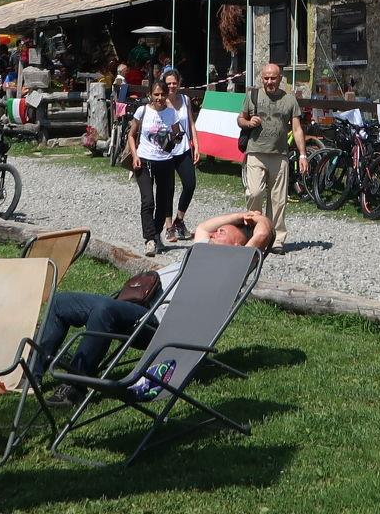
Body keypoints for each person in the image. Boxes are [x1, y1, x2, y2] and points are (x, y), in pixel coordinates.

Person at [28, 210, 271, 395]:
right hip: (136, 307)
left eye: (223, 232)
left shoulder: (234, 269)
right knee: (60, 302)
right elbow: (203, 227)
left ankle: (75, 386)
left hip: (156, 324)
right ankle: (31, 377)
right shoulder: (202, 250)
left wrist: (259, 219)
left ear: (238, 245)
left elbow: (263, 235)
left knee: (105, 310)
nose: (215, 233)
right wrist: (240, 215)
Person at [237, 63, 308, 251]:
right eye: (266, 78)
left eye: (273, 78)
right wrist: (248, 122)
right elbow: (240, 119)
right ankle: (255, 232)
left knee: (278, 200)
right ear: (262, 78)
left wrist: (302, 155)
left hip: (280, 155)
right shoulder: (252, 95)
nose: (269, 82)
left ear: (280, 78)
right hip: (255, 152)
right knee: (254, 193)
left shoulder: (289, 100)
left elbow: (297, 129)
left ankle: (276, 239)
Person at [130, 80, 188, 256]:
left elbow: (178, 134)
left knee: (163, 202)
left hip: (165, 161)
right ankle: (149, 239)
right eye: (156, 94)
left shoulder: (171, 113)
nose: (159, 98)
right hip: (144, 160)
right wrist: (135, 156)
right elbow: (132, 135)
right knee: (148, 201)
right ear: (150, 95)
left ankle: (156, 234)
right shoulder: (142, 111)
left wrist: (174, 138)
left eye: (162, 94)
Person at [160, 70, 197, 244]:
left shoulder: (185, 100)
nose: (171, 86)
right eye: (168, 83)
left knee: (190, 184)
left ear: (179, 83)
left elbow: (191, 123)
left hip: (183, 148)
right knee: (168, 188)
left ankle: (179, 220)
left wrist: (196, 144)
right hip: (166, 151)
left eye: (174, 83)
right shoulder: (160, 102)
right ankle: (169, 227)